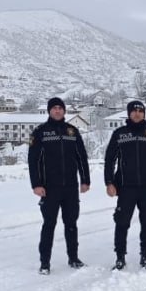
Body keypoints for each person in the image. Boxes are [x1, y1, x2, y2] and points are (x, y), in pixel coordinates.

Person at [104, 100, 146, 270]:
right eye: (133, 111)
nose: (137, 113)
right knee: (121, 222)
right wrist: (109, 182)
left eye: (140, 111)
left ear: (144, 114)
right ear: (128, 114)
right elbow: (109, 160)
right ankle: (120, 257)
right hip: (126, 187)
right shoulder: (119, 134)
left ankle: (145, 255)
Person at [29, 96, 90, 274]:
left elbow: (81, 157)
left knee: (71, 223)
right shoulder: (40, 132)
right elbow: (33, 161)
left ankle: (73, 258)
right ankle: (45, 263)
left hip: (70, 187)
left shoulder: (72, 131)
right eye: (54, 108)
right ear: (49, 111)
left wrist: (85, 180)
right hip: (49, 188)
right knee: (49, 224)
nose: (57, 110)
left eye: (60, 108)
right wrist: (36, 184)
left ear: (64, 111)